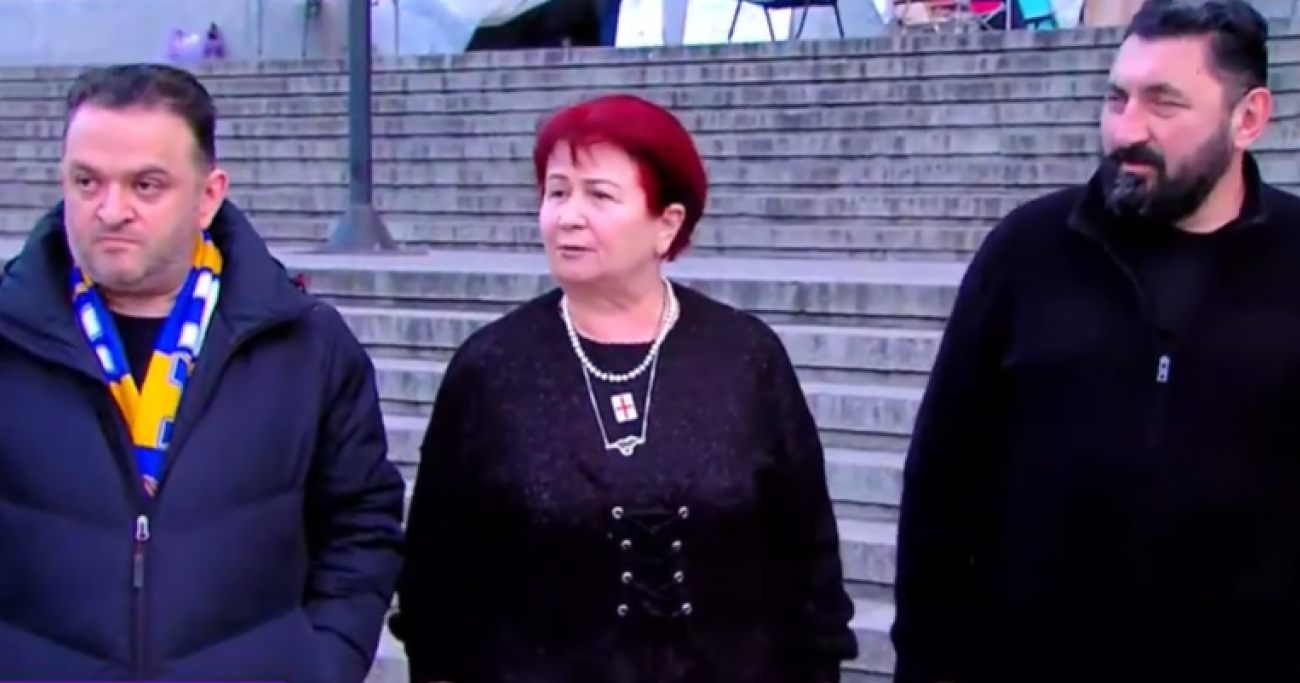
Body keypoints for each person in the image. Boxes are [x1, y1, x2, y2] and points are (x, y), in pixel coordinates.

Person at [891, 1, 1300, 682]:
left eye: (1164, 103)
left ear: (1248, 118)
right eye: (1117, 98)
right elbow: (942, 484)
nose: (1126, 129)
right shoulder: (1028, 252)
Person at [390, 93, 858, 682]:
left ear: (667, 224)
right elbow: (436, 581)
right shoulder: (490, 368)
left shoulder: (745, 357)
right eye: (557, 192)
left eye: (600, 195)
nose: (568, 216)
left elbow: (807, 560)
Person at [0, 63, 405, 680]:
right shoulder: (9, 338)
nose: (111, 210)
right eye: (87, 182)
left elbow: (361, 527)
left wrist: (321, 664)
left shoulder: (307, 348)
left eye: (146, 185)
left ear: (208, 195)